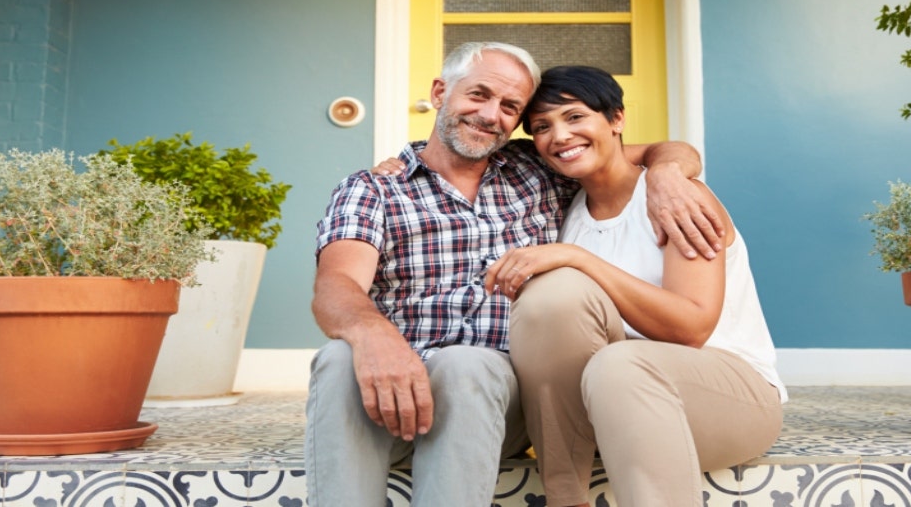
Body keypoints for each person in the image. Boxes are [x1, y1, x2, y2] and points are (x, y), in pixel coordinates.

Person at [306, 42, 726, 507]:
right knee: (338, 358)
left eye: (510, 107)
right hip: (390, 390)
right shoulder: (372, 188)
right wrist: (374, 338)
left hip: (496, 398)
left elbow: (637, 151)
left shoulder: (539, 168)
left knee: (464, 365)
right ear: (440, 91)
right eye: (478, 95)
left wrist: (668, 173)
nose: (491, 115)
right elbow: (336, 286)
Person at [484, 65, 786, 507]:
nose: (560, 136)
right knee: (553, 297)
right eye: (542, 127)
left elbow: (691, 327)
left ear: (617, 119)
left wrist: (583, 256)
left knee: (618, 363)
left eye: (574, 117)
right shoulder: (565, 204)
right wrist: (396, 165)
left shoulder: (678, 198)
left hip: (729, 396)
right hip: (614, 406)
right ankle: (568, 498)